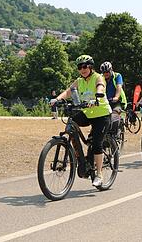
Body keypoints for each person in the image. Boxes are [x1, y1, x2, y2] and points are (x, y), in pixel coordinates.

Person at [51, 55, 111, 187]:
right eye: (80, 67)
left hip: (102, 115)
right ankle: (80, 157)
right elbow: (68, 91)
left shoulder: (98, 77)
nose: (82, 69)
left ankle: (99, 175)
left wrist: (98, 96)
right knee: (71, 121)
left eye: (85, 66)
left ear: (90, 67)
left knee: (96, 144)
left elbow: (100, 86)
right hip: (88, 114)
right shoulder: (79, 81)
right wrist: (57, 99)